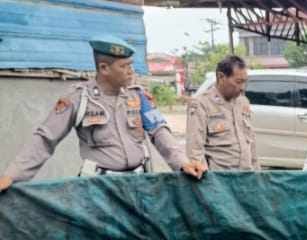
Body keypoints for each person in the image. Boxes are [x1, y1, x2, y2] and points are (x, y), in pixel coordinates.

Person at [0, 35, 204, 192]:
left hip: (139, 184)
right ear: (104, 68)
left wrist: (183, 163)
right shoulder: (78, 98)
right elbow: (44, 140)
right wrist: (11, 176)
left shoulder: (137, 96)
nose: (130, 71)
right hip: (99, 189)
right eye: (124, 66)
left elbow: (160, 133)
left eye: (131, 65)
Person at [186, 55, 258, 171]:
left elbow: (251, 144)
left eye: (245, 82)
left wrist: (256, 174)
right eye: (238, 82)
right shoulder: (201, 104)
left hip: (245, 177)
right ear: (221, 77)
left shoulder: (243, 102)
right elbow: (195, 150)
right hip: (220, 180)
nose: (242, 88)